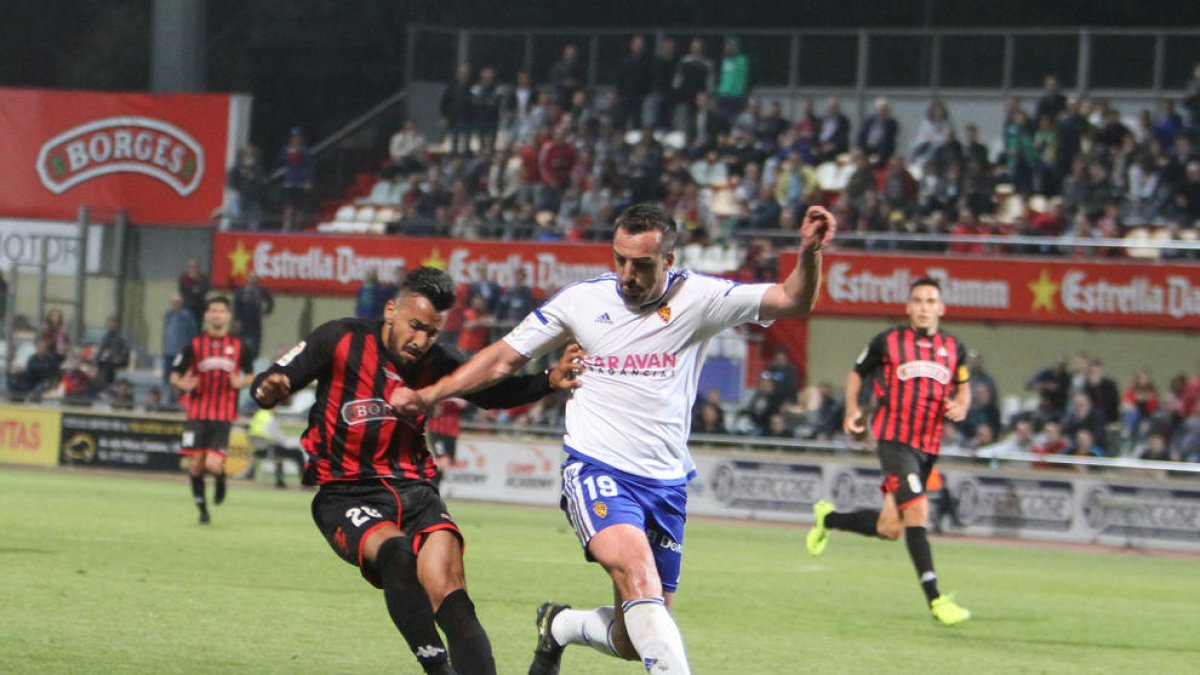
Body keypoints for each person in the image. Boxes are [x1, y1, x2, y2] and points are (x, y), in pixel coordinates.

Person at [390, 202, 835, 674]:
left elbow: (794, 300)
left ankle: (559, 626)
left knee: (632, 636)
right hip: (597, 470)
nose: (627, 274)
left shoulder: (703, 299)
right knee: (638, 576)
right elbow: (502, 358)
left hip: (666, 485)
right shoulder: (581, 301)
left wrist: (808, 252)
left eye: (641, 264)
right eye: (619, 259)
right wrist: (430, 394)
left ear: (668, 260)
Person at [249, 267, 584, 675]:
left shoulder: (439, 362)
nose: (422, 340)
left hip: (417, 493)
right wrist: (268, 387)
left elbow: (495, 392)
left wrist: (549, 381)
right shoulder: (340, 338)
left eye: (432, 331)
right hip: (347, 494)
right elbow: (281, 375)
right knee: (397, 553)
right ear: (391, 310)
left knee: (454, 600)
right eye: (416, 326)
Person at [806, 277, 973, 626]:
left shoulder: (953, 347)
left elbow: (963, 388)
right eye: (918, 300)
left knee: (889, 528)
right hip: (895, 441)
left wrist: (960, 404)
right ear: (908, 306)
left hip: (928, 449)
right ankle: (936, 600)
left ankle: (829, 519)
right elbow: (856, 374)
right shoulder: (889, 342)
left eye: (930, 301)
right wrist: (852, 409)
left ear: (941, 308)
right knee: (918, 513)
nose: (924, 306)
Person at [170, 297, 255, 524]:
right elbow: (175, 373)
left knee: (212, 464)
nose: (217, 315)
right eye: (213, 311)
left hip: (223, 414)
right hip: (197, 413)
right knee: (196, 464)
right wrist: (181, 384)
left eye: (221, 311)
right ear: (207, 315)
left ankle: (220, 479)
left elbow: (250, 374)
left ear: (227, 316)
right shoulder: (194, 344)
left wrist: (242, 382)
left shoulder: (239, 346)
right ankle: (203, 511)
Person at [162, 293, 198, 402]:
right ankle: (168, 400)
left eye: (177, 303)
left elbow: (193, 333)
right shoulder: (168, 315)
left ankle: (180, 400)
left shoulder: (187, 316)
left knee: (180, 376)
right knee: (168, 377)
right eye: (173, 303)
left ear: (181, 303)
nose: (174, 305)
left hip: (180, 351)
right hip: (168, 351)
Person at [278, 126, 315, 230]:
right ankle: (286, 226)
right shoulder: (285, 150)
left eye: (297, 137)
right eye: (293, 137)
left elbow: (310, 166)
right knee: (288, 206)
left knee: (299, 207)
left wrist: (309, 180)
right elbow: (279, 162)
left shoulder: (305, 151)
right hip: (289, 182)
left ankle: (297, 227)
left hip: (301, 183)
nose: (295, 139)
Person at [233, 273, 274, 363]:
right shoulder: (242, 291)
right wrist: (236, 319)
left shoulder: (260, 291)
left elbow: (270, 301)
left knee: (256, 342)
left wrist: (266, 312)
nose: (252, 280)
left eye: (254, 279)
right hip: (243, 321)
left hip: (255, 321)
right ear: (247, 279)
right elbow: (236, 305)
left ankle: (254, 359)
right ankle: (238, 358)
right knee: (239, 341)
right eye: (251, 278)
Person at [95, 316, 131, 388]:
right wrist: (99, 357)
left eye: (113, 326)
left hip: (119, 361)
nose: (111, 327)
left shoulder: (122, 337)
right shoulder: (106, 337)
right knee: (98, 362)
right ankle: (98, 384)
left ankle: (108, 384)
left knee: (109, 364)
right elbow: (101, 350)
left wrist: (117, 358)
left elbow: (125, 352)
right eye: (110, 326)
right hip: (108, 359)